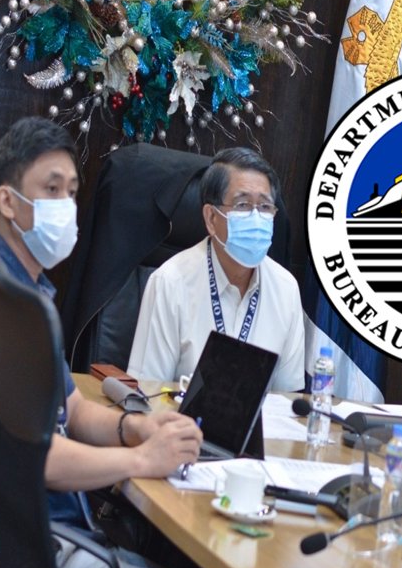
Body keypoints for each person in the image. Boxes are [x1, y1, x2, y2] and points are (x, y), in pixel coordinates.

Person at [0, 117, 227, 568]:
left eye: (72, 192)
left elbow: (71, 408)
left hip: (53, 536)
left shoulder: (26, 292)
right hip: (16, 564)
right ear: (7, 201)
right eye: (51, 190)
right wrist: (141, 460)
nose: (66, 206)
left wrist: (134, 427)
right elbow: (39, 461)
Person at [127, 147, 305, 391]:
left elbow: (288, 399)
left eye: (265, 207)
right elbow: (147, 392)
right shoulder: (170, 282)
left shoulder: (286, 289)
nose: (256, 218)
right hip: (180, 415)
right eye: (243, 205)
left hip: (260, 417)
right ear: (211, 218)